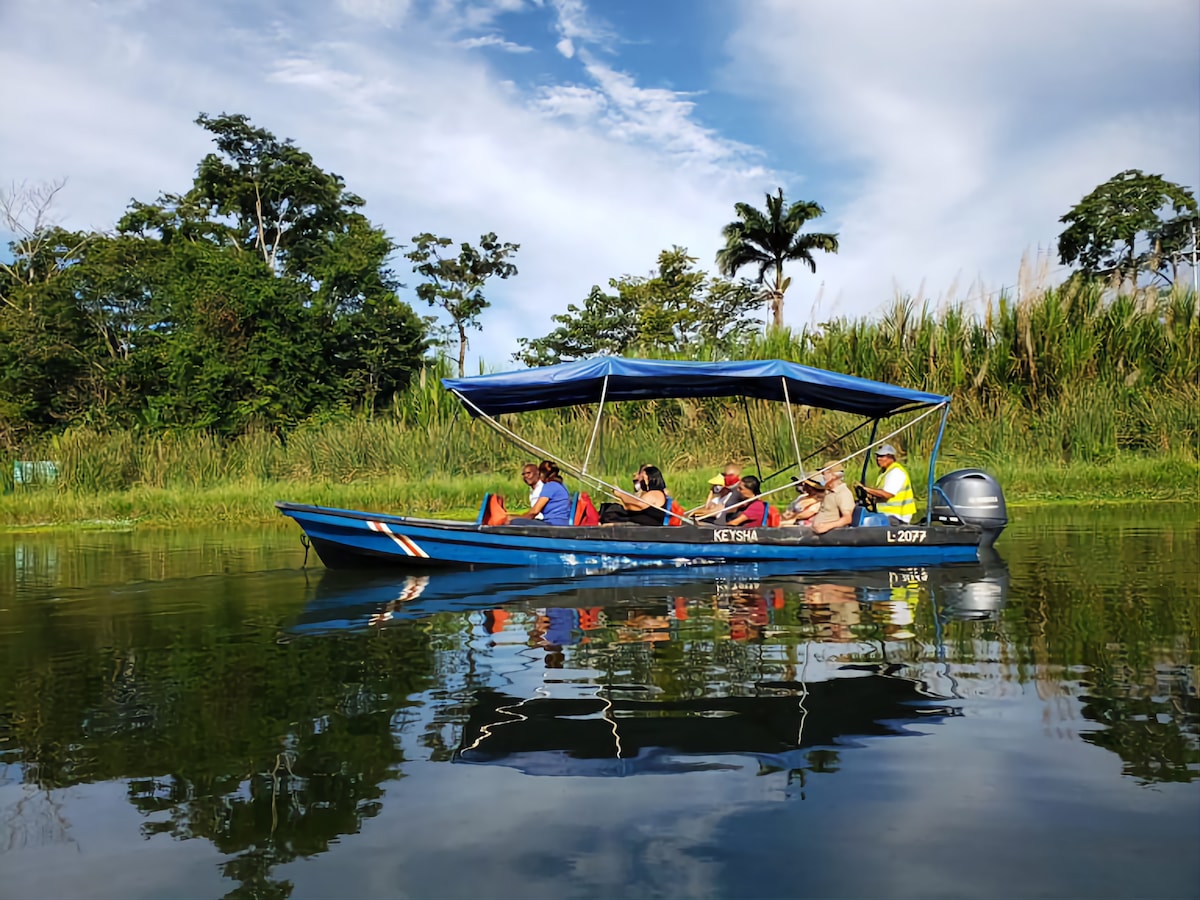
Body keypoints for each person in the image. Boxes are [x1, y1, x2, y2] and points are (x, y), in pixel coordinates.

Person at [861, 443, 916, 524]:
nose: (878, 459)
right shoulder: (885, 472)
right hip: (886, 515)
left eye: (882, 456)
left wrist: (867, 490)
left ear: (891, 457)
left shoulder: (896, 472)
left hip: (897, 517)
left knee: (866, 523)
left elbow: (887, 494)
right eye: (877, 456)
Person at [600, 464, 669, 525]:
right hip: (637, 521)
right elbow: (631, 506)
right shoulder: (650, 493)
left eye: (641, 478)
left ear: (647, 479)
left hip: (646, 526)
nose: (639, 481)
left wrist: (621, 494)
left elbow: (638, 504)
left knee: (611, 519)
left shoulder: (655, 493)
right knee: (610, 512)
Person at [508, 460, 571, 525]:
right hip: (559, 522)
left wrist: (513, 519)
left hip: (553, 524)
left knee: (514, 522)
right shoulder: (561, 484)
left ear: (542, 474)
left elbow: (534, 512)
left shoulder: (550, 486)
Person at [811, 464, 855, 534]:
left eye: (823, 474)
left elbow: (847, 519)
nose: (821, 477)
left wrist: (826, 526)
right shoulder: (829, 492)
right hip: (814, 532)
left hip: (829, 536)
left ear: (833, 476)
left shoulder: (842, 493)